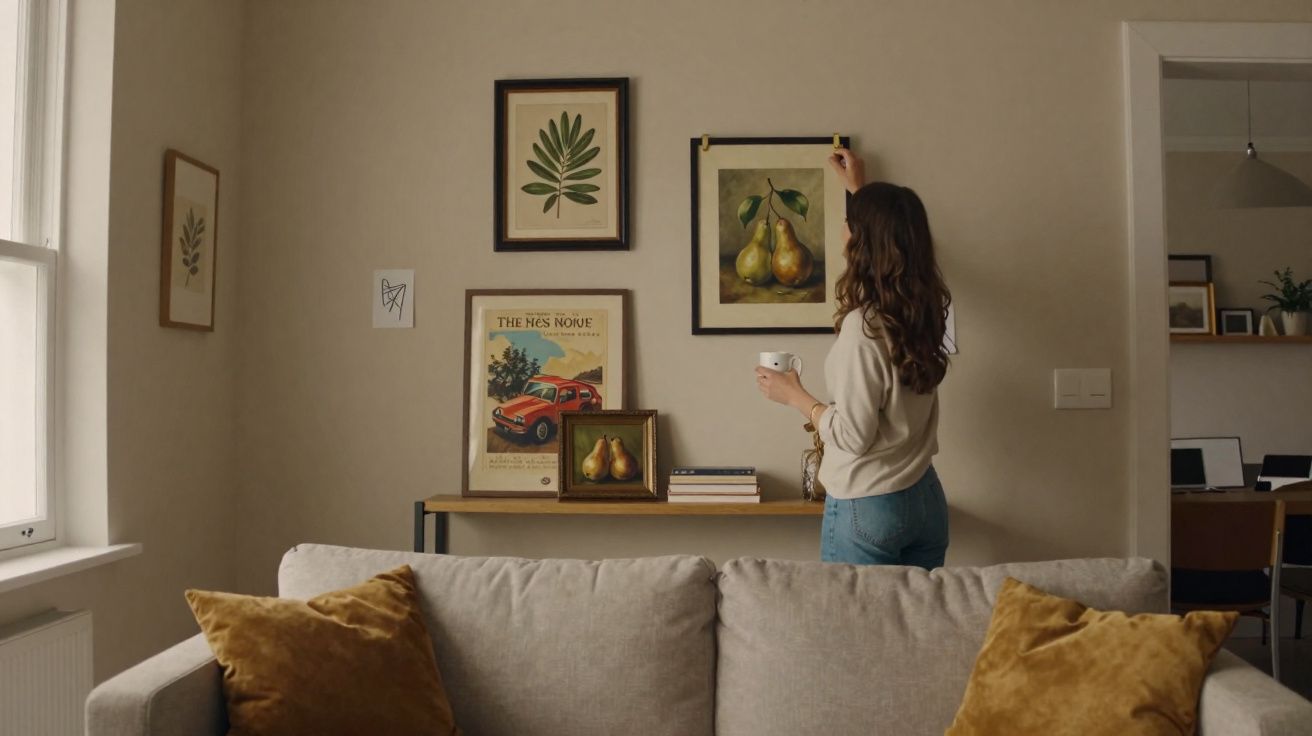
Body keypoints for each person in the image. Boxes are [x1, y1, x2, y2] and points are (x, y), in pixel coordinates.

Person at [755, 149, 951, 569]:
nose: (841, 229)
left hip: (871, 507)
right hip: (925, 500)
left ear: (861, 241)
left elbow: (853, 435)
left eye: (848, 224)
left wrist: (796, 396)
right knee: (917, 632)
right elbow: (892, 242)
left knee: (855, 634)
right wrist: (861, 193)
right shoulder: (926, 310)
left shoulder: (862, 329)